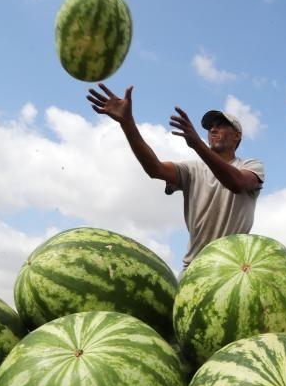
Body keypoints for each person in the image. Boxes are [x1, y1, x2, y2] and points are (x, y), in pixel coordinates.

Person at [86, 83, 264, 269]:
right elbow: (154, 169)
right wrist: (127, 124)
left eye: (220, 126)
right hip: (195, 267)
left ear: (237, 136)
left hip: (233, 267)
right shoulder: (192, 169)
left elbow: (236, 183)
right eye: (210, 127)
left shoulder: (251, 166)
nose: (213, 130)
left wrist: (197, 144)